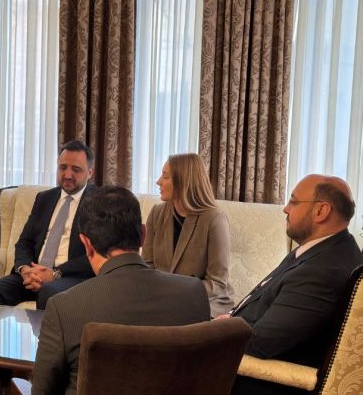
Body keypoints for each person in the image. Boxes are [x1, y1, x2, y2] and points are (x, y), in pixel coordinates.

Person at [32, 186, 210, 395]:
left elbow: (42, 391)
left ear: (86, 244)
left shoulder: (63, 308)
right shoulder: (194, 293)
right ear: (143, 235)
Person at [219, 174, 363, 395]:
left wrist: (217, 331)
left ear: (321, 211)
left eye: (293, 202)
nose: (285, 209)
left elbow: (261, 344)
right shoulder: (322, 249)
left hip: (254, 381)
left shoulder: (324, 270)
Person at [0, 140, 96, 310]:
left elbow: (97, 254)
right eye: (63, 167)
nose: (67, 175)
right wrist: (25, 270)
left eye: (76, 169)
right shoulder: (44, 198)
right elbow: (24, 242)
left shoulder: (99, 202)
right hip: (33, 274)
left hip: (70, 278)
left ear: (90, 172)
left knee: (48, 292)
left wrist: (55, 273)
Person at [142, 153, 234, 317]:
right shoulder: (157, 213)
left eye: (165, 177)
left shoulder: (214, 219)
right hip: (162, 298)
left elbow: (217, 283)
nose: (158, 182)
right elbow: (147, 266)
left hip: (205, 301)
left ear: (183, 182)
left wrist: (174, 293)